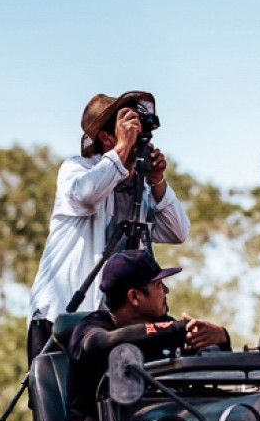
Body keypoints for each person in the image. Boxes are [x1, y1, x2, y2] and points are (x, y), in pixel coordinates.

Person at [57, 249, 229, 421]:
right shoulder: (90, 328)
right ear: (135, 297)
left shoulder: (166, 329)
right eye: (159, 285)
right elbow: (101, 344)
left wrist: (220, 338)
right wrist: (173, 330)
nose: (166, 291)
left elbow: (212, 368)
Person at [27, 90, 190, 359]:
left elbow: (178, 231)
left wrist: (157, 180)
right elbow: (86, 195)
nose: (136, 135)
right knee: (57, 386)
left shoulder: (141, 187)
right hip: (61, 314)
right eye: (127, 127)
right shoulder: (77, 169)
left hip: (110, 323)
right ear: (105, 137)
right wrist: (122, 149)